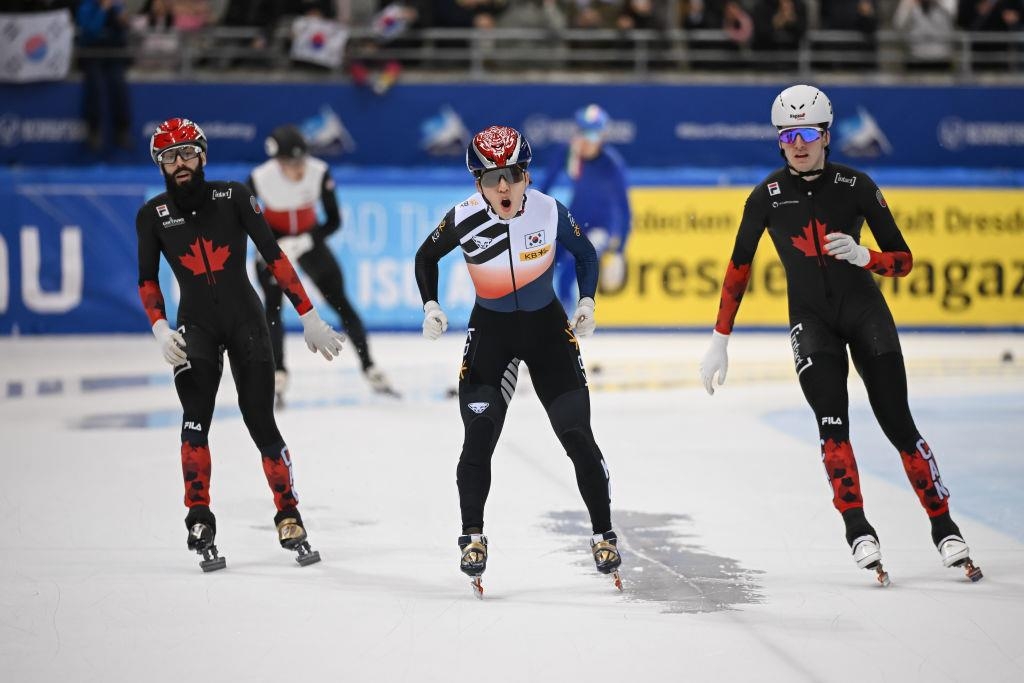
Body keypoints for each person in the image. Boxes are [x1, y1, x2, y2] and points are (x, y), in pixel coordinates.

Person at [698, 85, 982, 585]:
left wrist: (864, 255)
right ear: (779, 141)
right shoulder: (764, 197)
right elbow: (738, 267)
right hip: (812, 324)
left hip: (865, 313)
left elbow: (905, 260)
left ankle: (945, 526)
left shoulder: (856, 185)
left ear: (827, 136)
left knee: (898, 422)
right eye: (788, 135)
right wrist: (720, 337)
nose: (798, 143)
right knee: (833, 426)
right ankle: (858, 527)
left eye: (808, 133)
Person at [413, 125, 621, 595]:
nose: (503, 187)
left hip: (548, 333)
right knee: (478, 439)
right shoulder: (463, 217)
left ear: (526, 175)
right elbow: (426, 258)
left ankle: (603, 532)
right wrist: (430, 304)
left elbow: (585, 254)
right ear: (477, 184)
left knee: (577, 436)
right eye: (491, 178)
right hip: (492, 336)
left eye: (511, 175)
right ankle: (472, 535)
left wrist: (587, 300)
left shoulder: (548, 209)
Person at [136, 117, 345, 570]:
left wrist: (307, 314)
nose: (180, 163)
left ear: (203, 155)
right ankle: (199, 515)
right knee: (195, 420)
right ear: (160, 165)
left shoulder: (233, 196)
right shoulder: (152, 215)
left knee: (260, 421)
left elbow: (274, 255)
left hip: (248, 323)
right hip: (196, 329)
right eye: (170, 157)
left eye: (188, 153)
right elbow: (147, 279)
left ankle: (289, 513)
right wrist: (158, 326)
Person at [249, 124, 398, 404]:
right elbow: (245, 221)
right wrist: (268, 246)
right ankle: (278, 372)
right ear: (277, 161)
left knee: (342, 303)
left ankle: (370, 366)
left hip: (310, 242)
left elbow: (334, 220)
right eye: (291, 163)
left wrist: (305, 241)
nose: (299, 169)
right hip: (274, 244)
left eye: (302, 160)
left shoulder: (319, 171)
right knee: (272, 307)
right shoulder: (259, 179)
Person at [538, 104, 631, 312]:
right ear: (576, 133)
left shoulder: (611, 164)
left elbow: (624, 210)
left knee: (570, 273)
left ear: (604, 136)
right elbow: (544, 187)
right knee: (544, 270)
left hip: (600, 228)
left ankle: (566, 328)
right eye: (584, 133)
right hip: (574, 221)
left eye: (595, 135)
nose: (589, 141)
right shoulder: (568, 152)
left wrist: (620, 251)